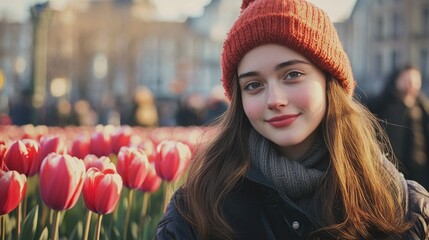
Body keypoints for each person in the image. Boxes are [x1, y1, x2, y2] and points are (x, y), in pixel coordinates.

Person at [156, 0, 429, 239]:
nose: (274, 99)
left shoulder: (403, 209)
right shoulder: (198, 209)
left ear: (328, 80)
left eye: (292, 75)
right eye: (253, 85)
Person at [367, 65, 429, 190]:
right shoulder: (381, 105)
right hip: (389, 171)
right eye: (407, 80)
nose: (410, 85)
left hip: (419, 172)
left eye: (414, 81)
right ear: (397, 80)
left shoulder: (423, 108)